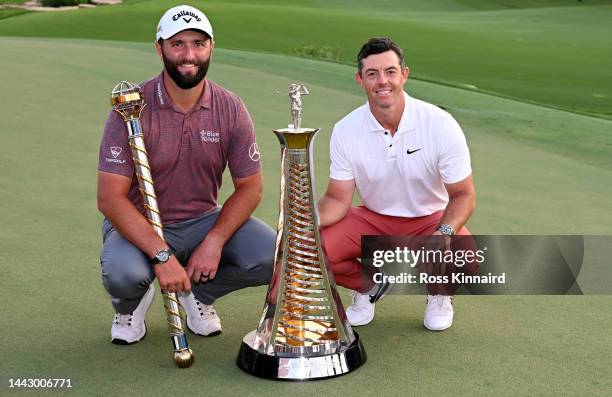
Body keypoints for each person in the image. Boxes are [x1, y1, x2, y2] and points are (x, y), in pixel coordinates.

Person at [97, 5, 275, 345]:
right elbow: (110, 198)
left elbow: (251, 188)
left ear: (211, 47)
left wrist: (215, 241)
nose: (188, 54)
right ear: (159, 48)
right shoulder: (131, 105)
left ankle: (196, 294)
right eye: (177, 44)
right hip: (141, 221)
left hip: (202, 222)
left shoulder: (230, 107)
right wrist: (162, 256)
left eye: (198, 43)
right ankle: (131, 303)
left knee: (270, 255)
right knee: (124, 275)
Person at [318, 37, 478, 331]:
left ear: (404, 74)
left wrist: (443, 234)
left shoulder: (440, 124)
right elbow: (337, 199)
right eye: (372, 74)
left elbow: (464, 195)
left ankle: (439, 294)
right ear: (359, 79)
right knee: (313, 249)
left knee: (466, 258)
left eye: (390, 72)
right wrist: (303, 221)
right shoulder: (345, 130)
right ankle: (368, 285)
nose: (383, 81)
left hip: (429, 219)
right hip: (371, 218)